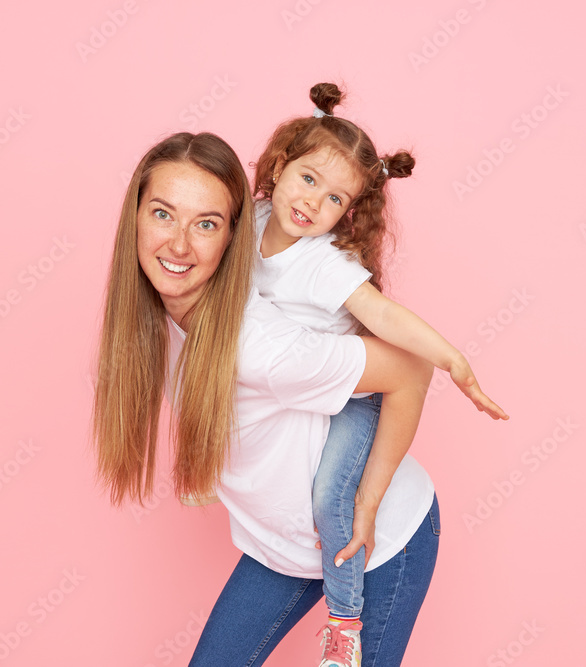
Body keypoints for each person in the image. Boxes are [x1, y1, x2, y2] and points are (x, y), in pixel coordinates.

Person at [94, 131, 443, 665]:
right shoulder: (157, 311)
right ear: (134, 217)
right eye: (163, 214)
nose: (179, 245)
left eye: (206, 223)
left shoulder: (262, 349)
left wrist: (369, 501)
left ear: (232, 235)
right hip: (282, 545)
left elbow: (410, 370)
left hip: (379, 541)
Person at [247, 83, 508, 666]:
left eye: (335, 198)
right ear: (280, 166)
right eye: (308, 178)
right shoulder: (251, 220)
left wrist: (453, 359)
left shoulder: (321, 262)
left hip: (354, 398)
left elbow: (384, 316)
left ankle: (344, 626)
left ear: (348, 212)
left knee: (330, 497)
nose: (312, 203)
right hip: (307, 396)